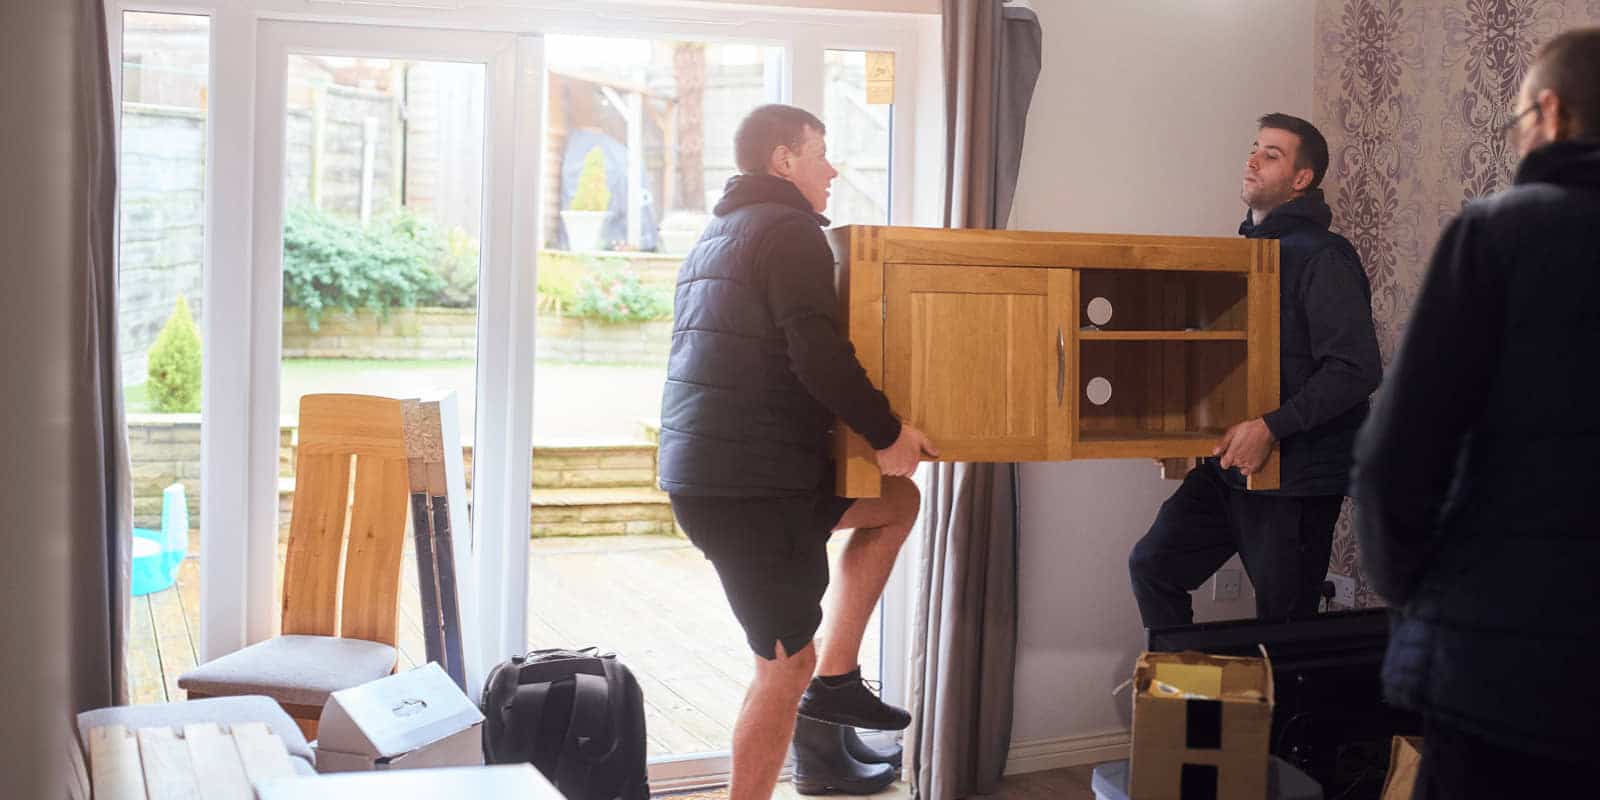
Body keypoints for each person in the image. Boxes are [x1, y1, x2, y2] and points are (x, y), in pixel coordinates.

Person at [657, 103, 939, 800]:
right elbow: (817, 352)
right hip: (748, 490)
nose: (832, 167)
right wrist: (887, 433)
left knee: (895, 500)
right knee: (783, 669)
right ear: (784, 161)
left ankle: (837, 682)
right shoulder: (788, 232)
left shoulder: (721, 232)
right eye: (820, 151)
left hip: (728, 475)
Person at [1351, 28, 1600, 798]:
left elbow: (1397, 458)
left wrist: (1420, 595)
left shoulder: (1504, 232)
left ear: (1550, 113)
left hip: (1506, 667)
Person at [1127, 113, 1383, 629]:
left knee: (1284, 628)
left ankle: (1284, 713)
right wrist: (1186, 427)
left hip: (1297, 479)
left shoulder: (1325, 258)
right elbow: (1230, 359)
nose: (1252, 160)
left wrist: (1270, 427)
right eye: (1253, 148)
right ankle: (1195, 707)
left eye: (1272, 154)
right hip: (1228, 469)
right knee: (1154, 566)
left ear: (1301, 179)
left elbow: (1356, 370)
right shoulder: (1245, 256)